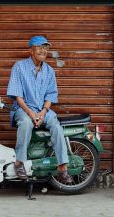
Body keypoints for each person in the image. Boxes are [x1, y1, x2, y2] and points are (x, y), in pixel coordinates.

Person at [6, 35, 72, 184]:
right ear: (31, 50)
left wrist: (42, 112)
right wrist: (30, 113)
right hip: (23, 108)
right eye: (40, 47)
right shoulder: (19, 67)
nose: (43, 50)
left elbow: (51, 95)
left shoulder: (49, 71)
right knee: (26, 123)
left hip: (42, 110)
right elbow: (17, 96)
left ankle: (63, 168)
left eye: (46, 48)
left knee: (56, 126)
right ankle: (19, 162)